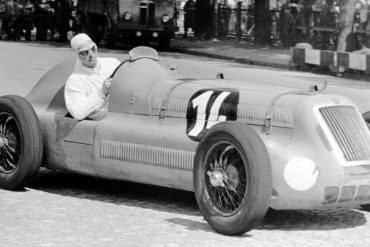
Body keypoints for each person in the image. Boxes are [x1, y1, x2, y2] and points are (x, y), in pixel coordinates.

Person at [64, 33, 120, 120]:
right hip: (101, 122)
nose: (91, 55)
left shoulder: (113, 63)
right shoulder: (75, 80)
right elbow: (77, 112)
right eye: (84, 52)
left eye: (93, 49)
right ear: (78, 55)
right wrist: (101, 93)